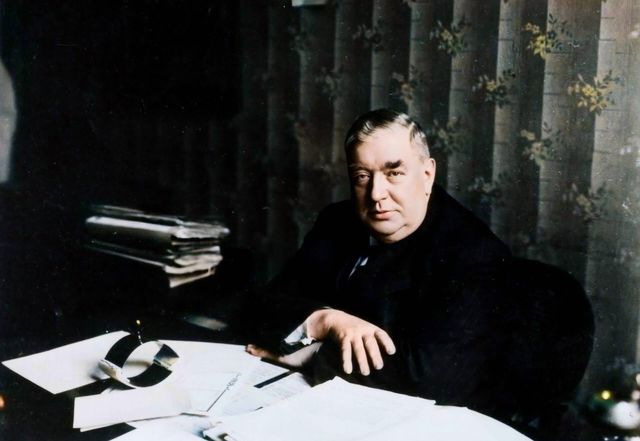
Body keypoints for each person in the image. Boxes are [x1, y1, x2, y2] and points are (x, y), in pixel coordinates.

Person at [245, 109, 518, 420]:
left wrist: (312, 353)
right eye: (362, 176)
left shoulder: (474, 253)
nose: (376, 194)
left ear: (427, 174)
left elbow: (432, 379)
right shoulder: (336, 220)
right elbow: (262, 306)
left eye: (394, 173)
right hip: (327, 404)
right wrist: (326, 321)